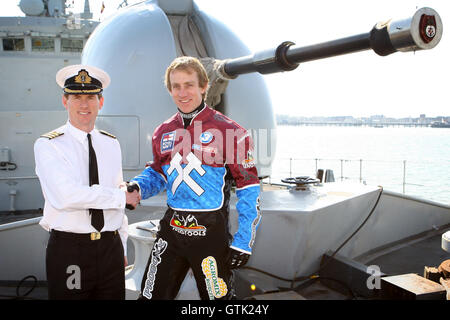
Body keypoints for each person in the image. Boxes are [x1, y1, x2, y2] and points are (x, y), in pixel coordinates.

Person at [129, 56, 261, 300]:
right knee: (148, 298)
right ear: (169, 90)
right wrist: (137, 187)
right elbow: (158, 173)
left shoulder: (230, 131)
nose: (182, 92)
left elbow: (249, 187)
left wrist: (244, 241)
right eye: (176, 86)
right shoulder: (163, 131)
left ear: (204, 86)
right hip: (172, 229)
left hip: (210, 236)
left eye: (189, 84)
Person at [34, 64, 141, 300]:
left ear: (101, 102)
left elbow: (115, 193)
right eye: (77, 97)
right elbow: (66, 196)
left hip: (110, 249)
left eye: (91, 97)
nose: (84, 104)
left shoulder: (111, 143)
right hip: (71, 250)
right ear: (65, 101)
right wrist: (122, 197)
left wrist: (121, 245)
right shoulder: (48, 145)